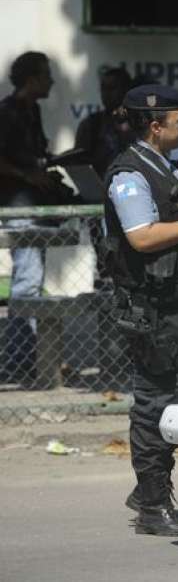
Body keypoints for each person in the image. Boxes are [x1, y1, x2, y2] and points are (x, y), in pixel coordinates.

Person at [102, 84, 178, 537]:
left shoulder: (163, 168)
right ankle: (152, 507)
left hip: (174, 305)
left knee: (172, 399)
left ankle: (148, 493)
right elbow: (141, 237)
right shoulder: (130, 175)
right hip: (149, 309)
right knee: (154, 405)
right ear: (156, 125)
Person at [0, 51, 58, 386]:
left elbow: (32, 155)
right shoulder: (7, 112)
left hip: (35, 206)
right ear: (31, 79)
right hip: (18, 205)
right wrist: (27, 175)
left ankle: (26, 359)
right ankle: (18, 362)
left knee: (32, 281)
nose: (51, 81)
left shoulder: (32, 111)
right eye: (46, 74)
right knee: (26, 282)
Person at [74, 67, 134, 177]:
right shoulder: (91, 125)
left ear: (126, 90)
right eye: (103, 88)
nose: (106, 93)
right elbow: (79, 166)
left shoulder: (141, 124)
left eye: (112, 88)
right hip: (101, 190)